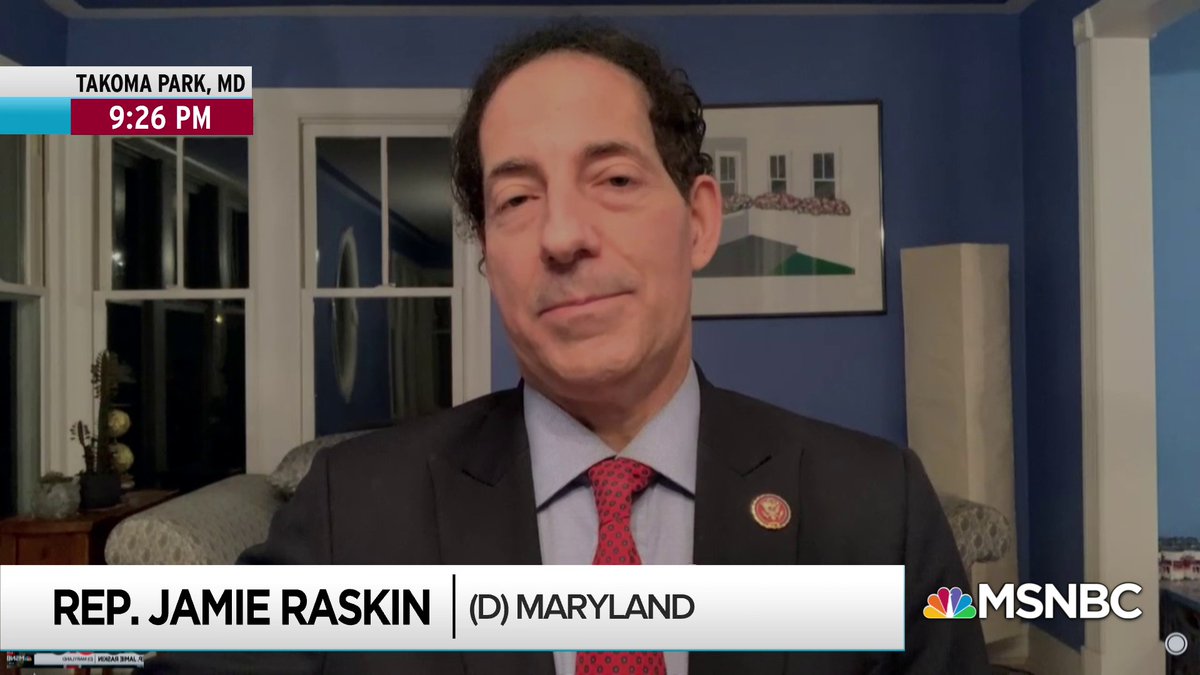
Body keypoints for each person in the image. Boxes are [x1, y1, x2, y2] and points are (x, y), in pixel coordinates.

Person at [148, 19, 988, 675]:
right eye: (517, 199)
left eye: (614, 179)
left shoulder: (879, 508)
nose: (560, 235)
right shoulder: (352, 510)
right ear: (488, 254)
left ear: (699, 221)